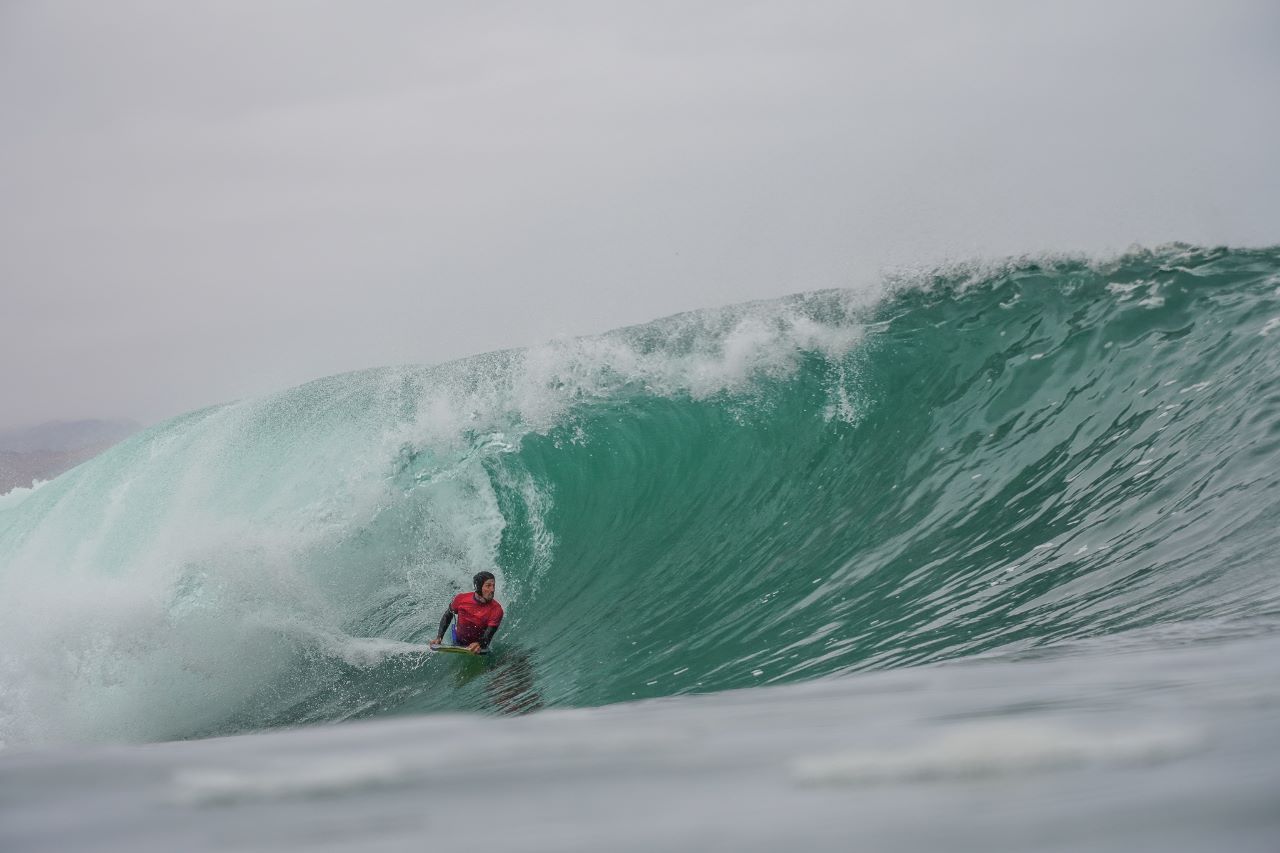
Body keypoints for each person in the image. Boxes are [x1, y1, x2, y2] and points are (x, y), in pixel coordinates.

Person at [433, 571, 504, 654]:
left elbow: (488, 636)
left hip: (478, 645)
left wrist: (479, 644)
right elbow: (448, 615)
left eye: (493, 586)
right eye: (488, 586)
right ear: (478, 587)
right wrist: (439, 637)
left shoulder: (496, 610)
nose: (492, 589)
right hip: (458, 639)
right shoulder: (461, 599)